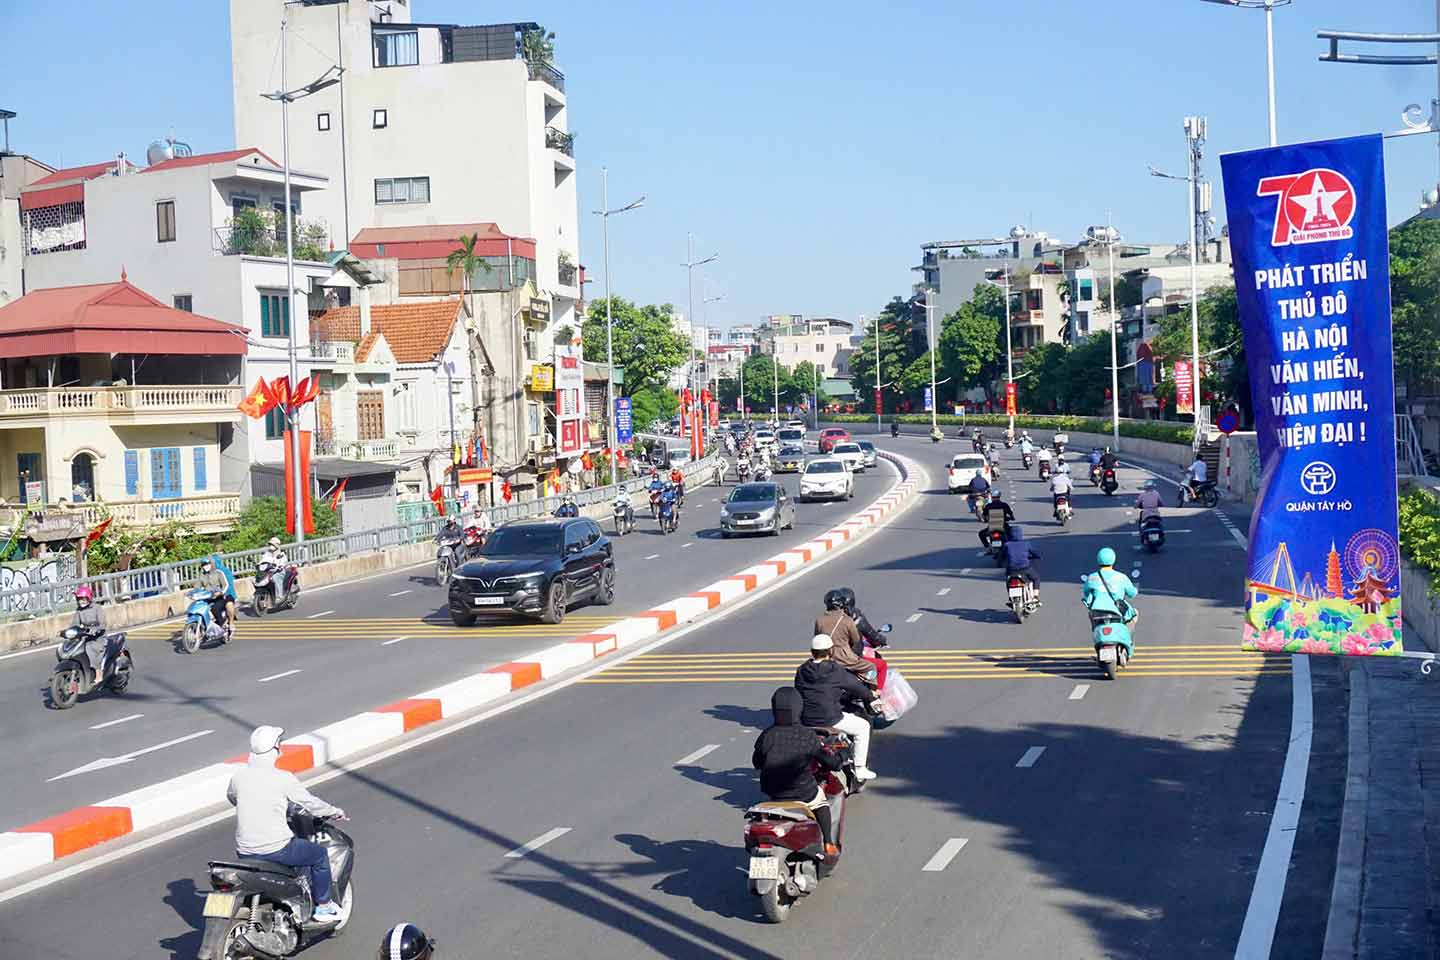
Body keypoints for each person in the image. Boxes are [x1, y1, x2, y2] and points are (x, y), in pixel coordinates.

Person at [227, 725, 346, 923]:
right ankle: (324, 907)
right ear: (275, 749)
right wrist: (334, 812)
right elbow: (310, 803)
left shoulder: (238, 777)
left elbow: (232, 798)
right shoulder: (283, 778)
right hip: (276, 850)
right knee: (319, 855)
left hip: (245, 852)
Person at [752, 687, 845, 857]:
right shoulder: (807, 735)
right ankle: (828, 843)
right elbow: (830, 762)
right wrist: (841, 757)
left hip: (773, 793)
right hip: (803, 793)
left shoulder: (767, 735)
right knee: (821, 802)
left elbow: (756, 763)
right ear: (798, 708)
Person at [795, 635, 880, 781]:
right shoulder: (834, 669)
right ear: (831, 651)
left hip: (806, 719)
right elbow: (856, 687)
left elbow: (799, 690)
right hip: (831, 719)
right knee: (863, 727)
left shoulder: (802, 670)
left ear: (812, 651)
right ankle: (860, 768)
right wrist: (871, 697)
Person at [814, 589, 873, 683]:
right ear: (841, 604)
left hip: (826, 656)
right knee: (871, 667)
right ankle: (874, 693)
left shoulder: (819, 620)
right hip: (845, 658)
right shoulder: (847, 620)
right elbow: (856, 639)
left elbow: (817, 638)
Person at [1083, 547, 1140, 627]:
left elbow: (1085, 594)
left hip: (1097, 614)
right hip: (1117, 613)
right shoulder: (1121, 577)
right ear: (1113, 559)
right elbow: (1132, 594)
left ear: (1098, 559)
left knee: (1090, 614)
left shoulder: (1091, 578)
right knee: (1134, 614)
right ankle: (1127, 638)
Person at [71, 585, 110, 684]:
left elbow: (103, 624)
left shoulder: (97, 608)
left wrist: (95, 630)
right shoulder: (79, 611)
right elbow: (74, 624)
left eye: (83, 599)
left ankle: (98, 674)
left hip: (98, 638)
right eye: (79, 599)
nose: (81, 601)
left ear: (89, 598)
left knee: (89, 649)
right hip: (85, 637)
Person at [1000, 524, 1042, 602]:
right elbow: (1035, 553)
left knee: (1008, 581)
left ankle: (1010, 596)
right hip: (1025, 568)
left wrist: (1001, 561)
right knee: (1036, 578)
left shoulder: (1007, 545)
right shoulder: (1026, 544)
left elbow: (1001, 556)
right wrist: (1038, 556)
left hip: (1011, 570)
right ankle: (1035, 596)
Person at [198, 558, 236, 638]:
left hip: (220, 597)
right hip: (208, 598)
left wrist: (221, 592)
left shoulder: (219, 573)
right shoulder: (202, 576)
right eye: (204, 565)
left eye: (208, 564)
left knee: (215, 608)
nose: (206, 566)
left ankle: (222, 625)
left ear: (211, 564)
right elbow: (197, 587)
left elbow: (226, 585)